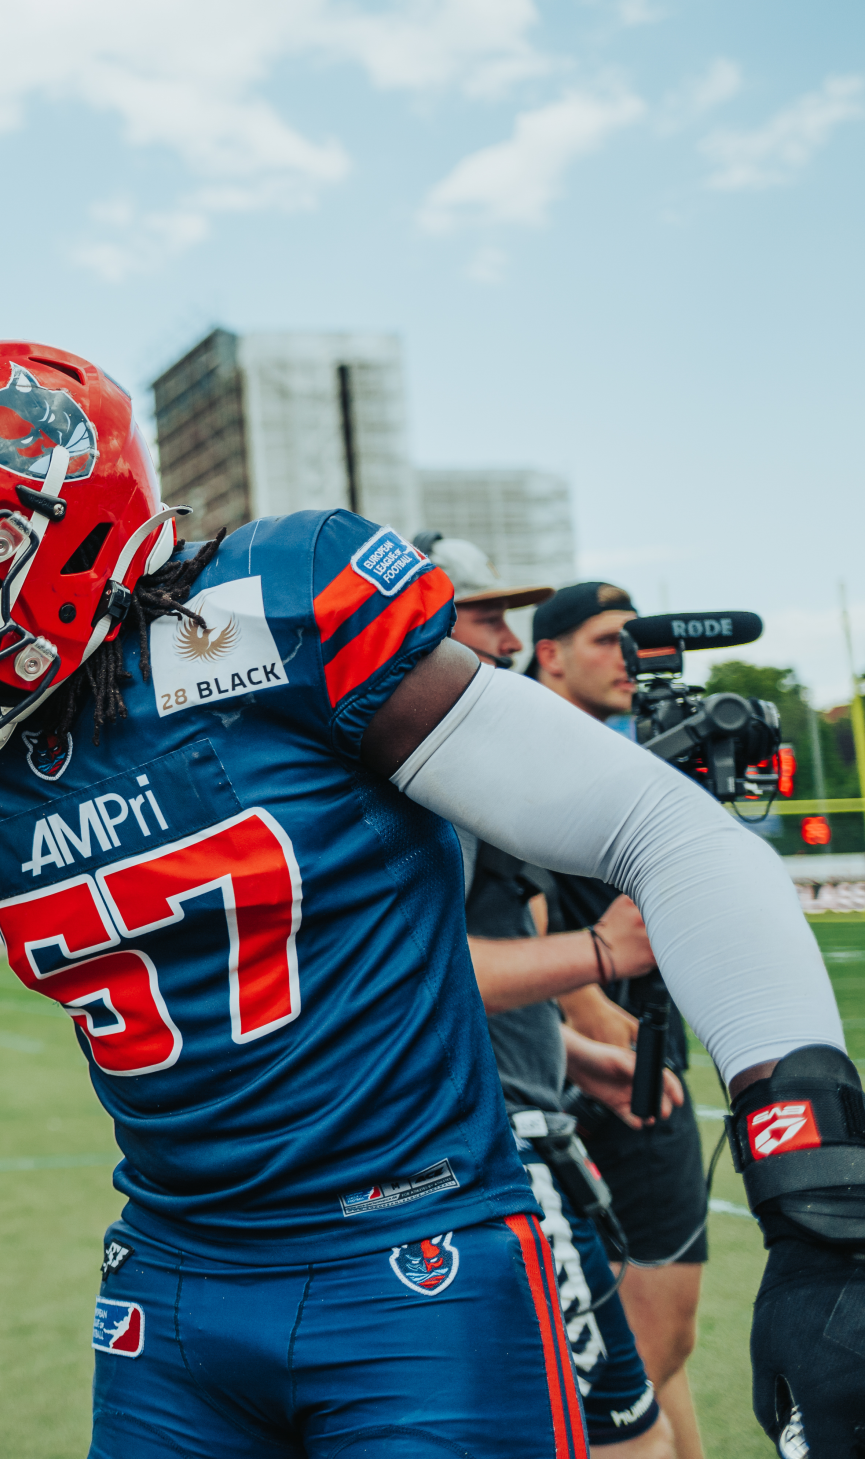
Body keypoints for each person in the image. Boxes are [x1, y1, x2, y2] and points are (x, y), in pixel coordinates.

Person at [0, 342, 854, 1457]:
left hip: (414, 1262)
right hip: (170, 1300)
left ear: (48, 545)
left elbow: (665, 831)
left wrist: (818, 1213)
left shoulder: (281, 615)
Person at [422, 535, 677, 1456]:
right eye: (484, 614)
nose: (507, 637)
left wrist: (571, 1052)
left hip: (527, 1118)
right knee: (618, 1431)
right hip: (495, 1147)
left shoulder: (483, 751)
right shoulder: (433, 769)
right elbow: (422, 974)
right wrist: (603, 952)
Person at [527, 581, 712, 1459]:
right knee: (614, 1367)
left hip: (647, 1065)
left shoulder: (637, 753)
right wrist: (585, 995)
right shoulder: (503, 751)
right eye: (606, 640)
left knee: (667, 1348)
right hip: (562, 1077)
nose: (627, 657)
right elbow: (501, 906)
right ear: (551, 654)